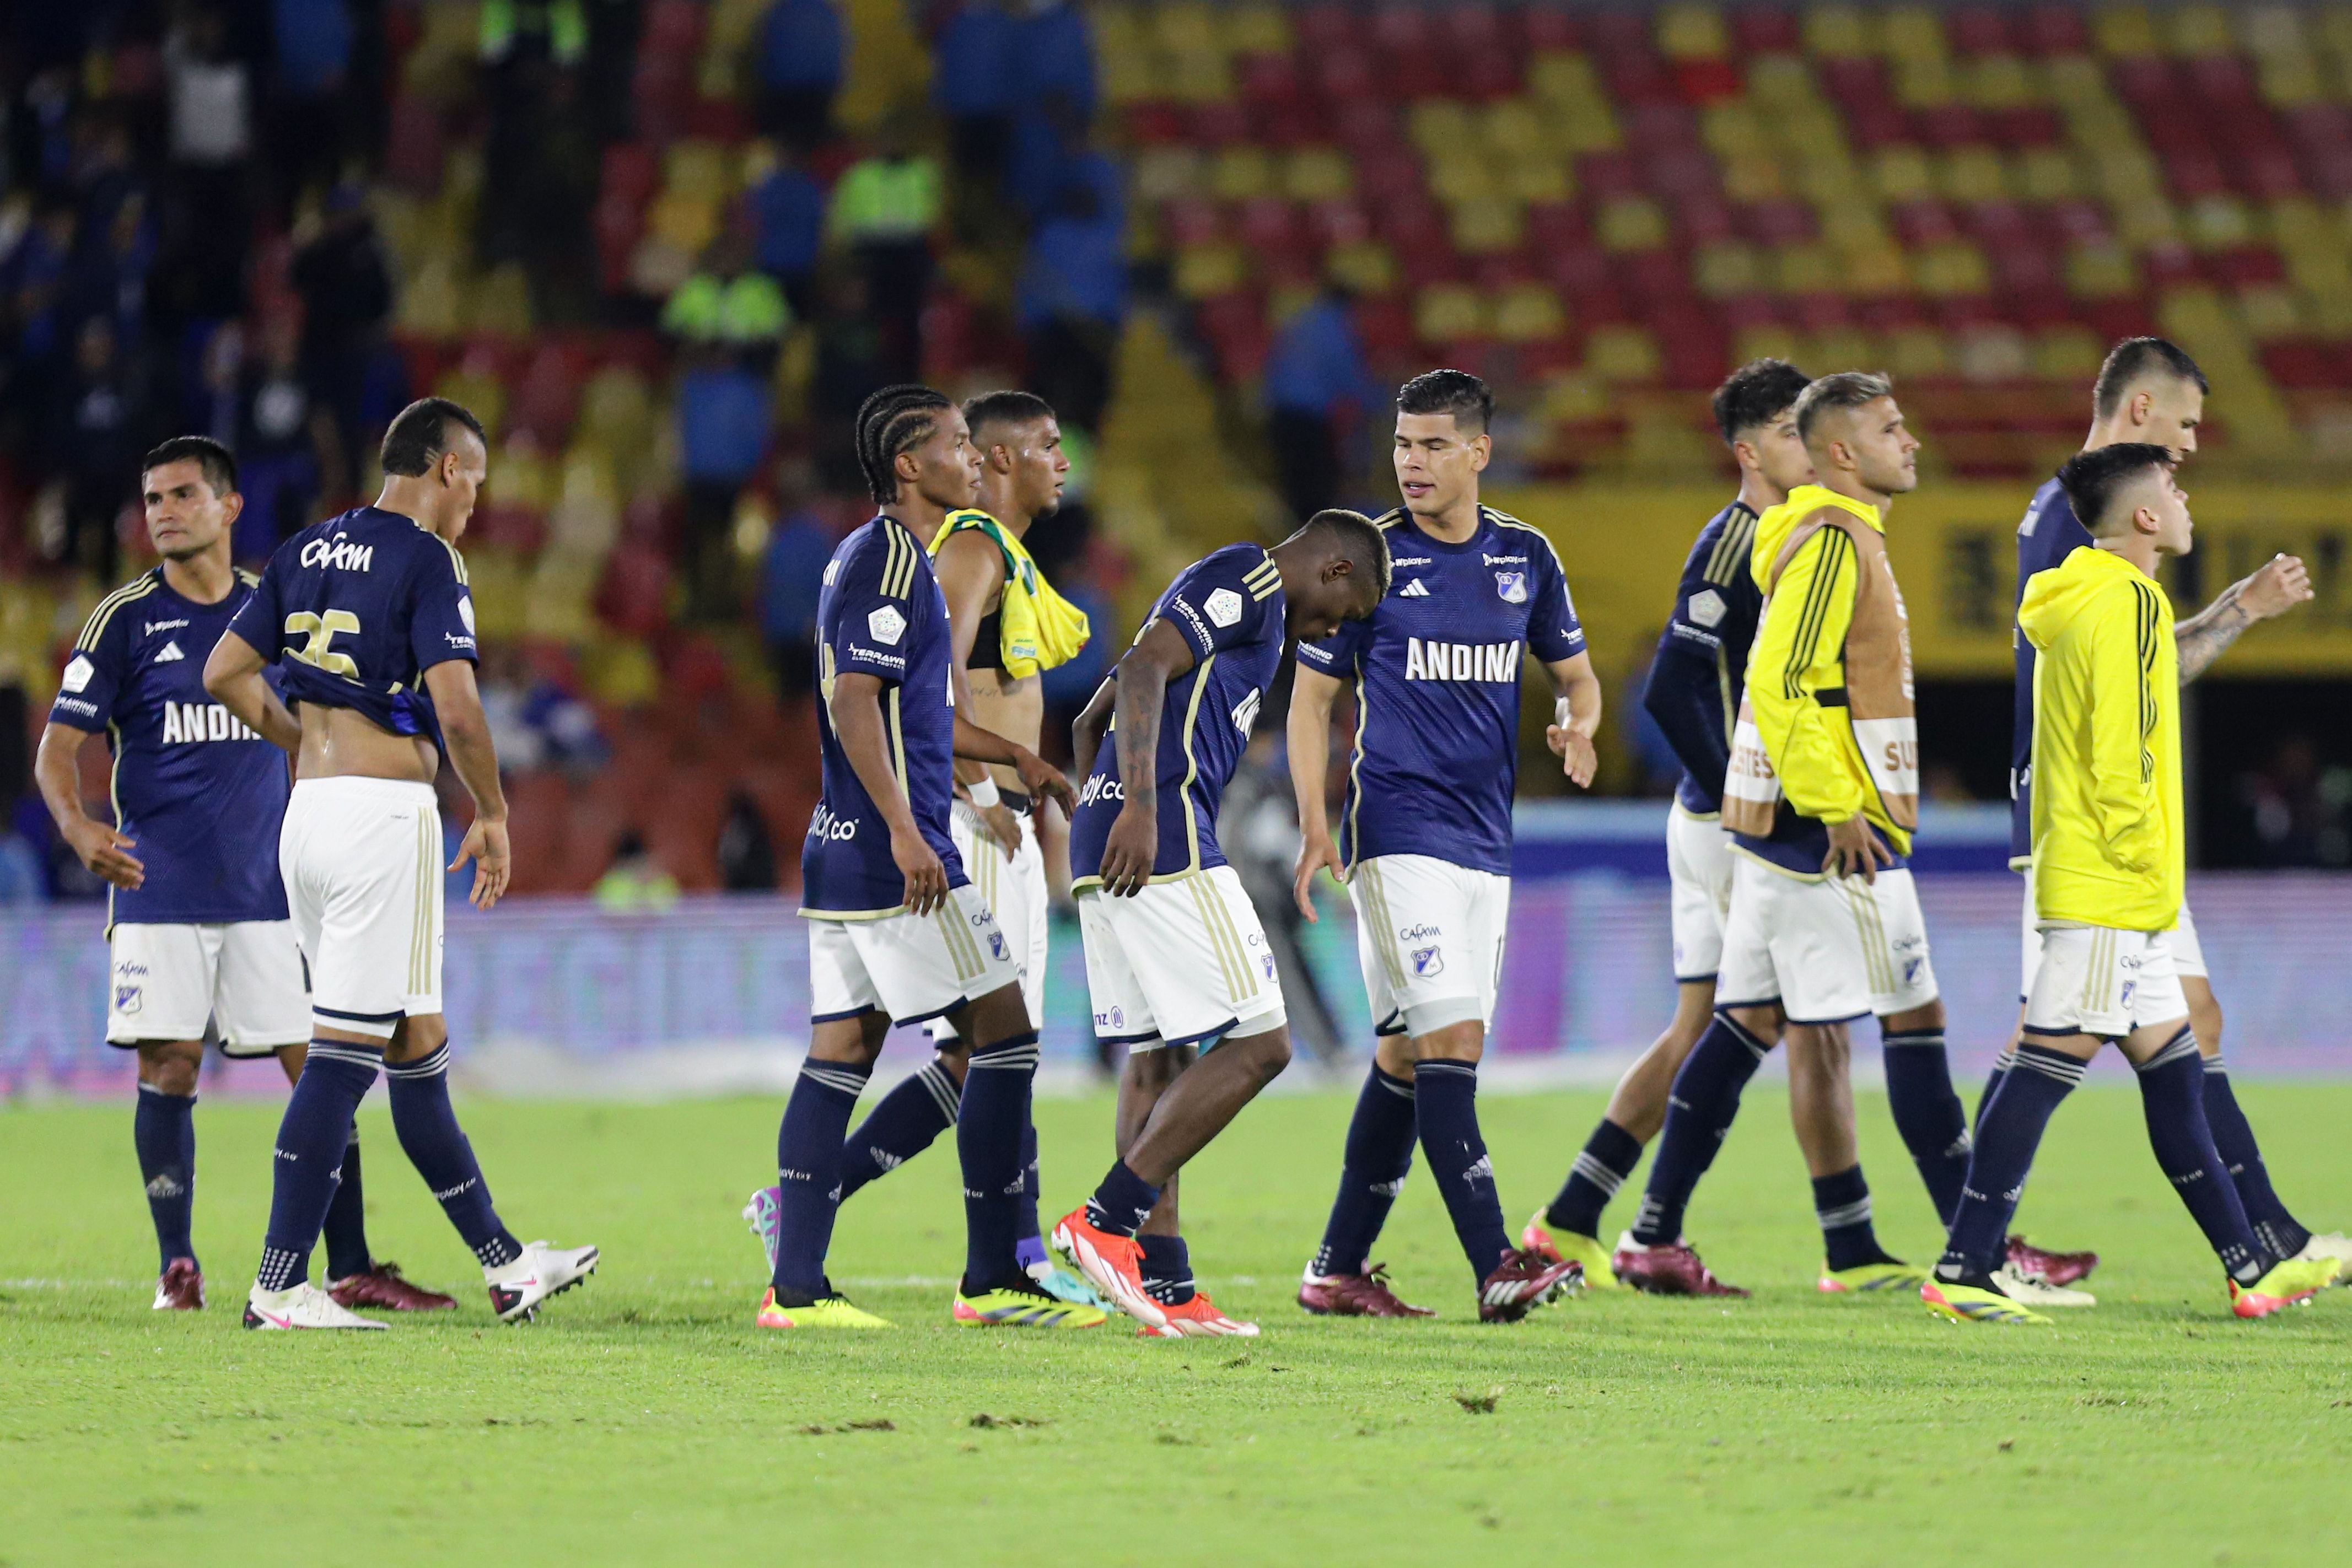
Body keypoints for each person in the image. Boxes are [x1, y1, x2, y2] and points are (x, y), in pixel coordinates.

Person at [204, 398, 599, 1329]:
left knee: (415, 1043)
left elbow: (224, 670)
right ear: (448, 469)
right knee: (342, 1060)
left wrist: (305, 743)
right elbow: (459, 710)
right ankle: (278, 1286)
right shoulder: (429, 558)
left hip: (309, 816)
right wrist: (494, 811)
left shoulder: (302, 550)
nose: (476, 504)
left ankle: (506, 1265)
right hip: (381, 824)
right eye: (476, 482)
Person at [1925, 446, 2343, 1323]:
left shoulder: (2082, 596)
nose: (2188, 498)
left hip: (2121, 887)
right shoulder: (2126, 600)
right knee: (2046, 1060)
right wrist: (2139, 855)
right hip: (2110, 880)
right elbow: (2124, 749)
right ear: (2146, 518)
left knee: (2175, 1070)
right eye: (2177, 488)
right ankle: (1965, 1266)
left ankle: (2251, 1267)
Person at [33, 437, 448, 1316]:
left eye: (183, 494)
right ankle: (177, 1265)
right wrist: (77, 828)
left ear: (230, 508)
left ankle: (352, 1263)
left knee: (325, 1064)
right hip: (161, 886)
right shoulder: (124, 621)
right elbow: (55, 753)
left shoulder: (279, 606)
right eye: (151, 499)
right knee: (171, 1063)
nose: (163, 512)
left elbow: (333, 719)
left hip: (271, 892)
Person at [1611, 373, 1976, 1298]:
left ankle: (1651, 1231)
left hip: (1785, 826)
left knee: (1740, 1030)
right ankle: (1982, 1252)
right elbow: (1778, 687)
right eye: (1895, 428)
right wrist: (1836, 805)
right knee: (1909, 1019)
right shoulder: (1829, 545)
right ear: (1845, 452)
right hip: (1825, 829)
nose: (1915, 441)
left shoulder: (1825, 539)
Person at [746, 390, 1102, 1306]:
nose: (972, 459)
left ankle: (796, 1289)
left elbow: (920, 711)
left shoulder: (874, 554)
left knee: (839, 1060)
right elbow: (856, 700)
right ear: (911, 465)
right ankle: (995, 1271)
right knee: (1004, 1035)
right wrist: (918, 824)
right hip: (891, 851)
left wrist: (1015, 754)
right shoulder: (899, 560)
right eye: (956, 445)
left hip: (845, 847)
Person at [1287, 369, 1599, 1321]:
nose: (1411, 464)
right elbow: (1311, 701)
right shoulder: (1364, 557)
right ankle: (1496, 1263)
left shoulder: (1527, 556)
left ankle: (1337, 1268)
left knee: (1406, 1059)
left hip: (1485, 844)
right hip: (1396, 833)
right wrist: (1312, 824)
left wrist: (1577, 724)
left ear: (1478, 452)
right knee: (1453, 1041)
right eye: (1401, 445)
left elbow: (1576, 679)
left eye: (1431, 446)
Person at [1049, 509, 1390, 1335]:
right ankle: (1106, 1219)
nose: (1332, 629)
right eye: (1343, 613)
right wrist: (1140, 804)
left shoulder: (1232, 597)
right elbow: (1135, 673)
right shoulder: (1253, 580)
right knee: (1264, 1041)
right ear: (1336, 570)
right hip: (1162, 829)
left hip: (1114, 834)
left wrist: (1102, 804)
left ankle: (1164, 1283)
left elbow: (1087, 721)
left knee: (1159, 1056)